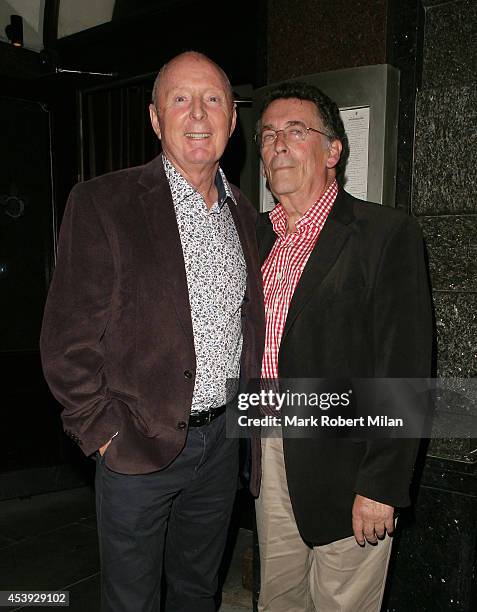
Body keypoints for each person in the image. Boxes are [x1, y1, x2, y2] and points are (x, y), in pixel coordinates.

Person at [40, 51, 264, 612]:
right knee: (132, 602)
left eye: (213, 99)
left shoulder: (245, 214)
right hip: (136, 446)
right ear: (155, 118)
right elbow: (66, 343)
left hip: (220, 449)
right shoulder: (103, 202)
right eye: (180, 99)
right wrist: (104, 433)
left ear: (232, 121)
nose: (197, 114)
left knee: (197, 592)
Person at [251, 82, 432, 612]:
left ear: (333, 150)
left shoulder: (384, 233)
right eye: (267, 134)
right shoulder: (254, 236)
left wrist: (382, 483)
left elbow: (406, 368)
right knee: (279, 601)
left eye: (295, 130)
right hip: (266, 454)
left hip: (349, 466)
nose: (278, 142)